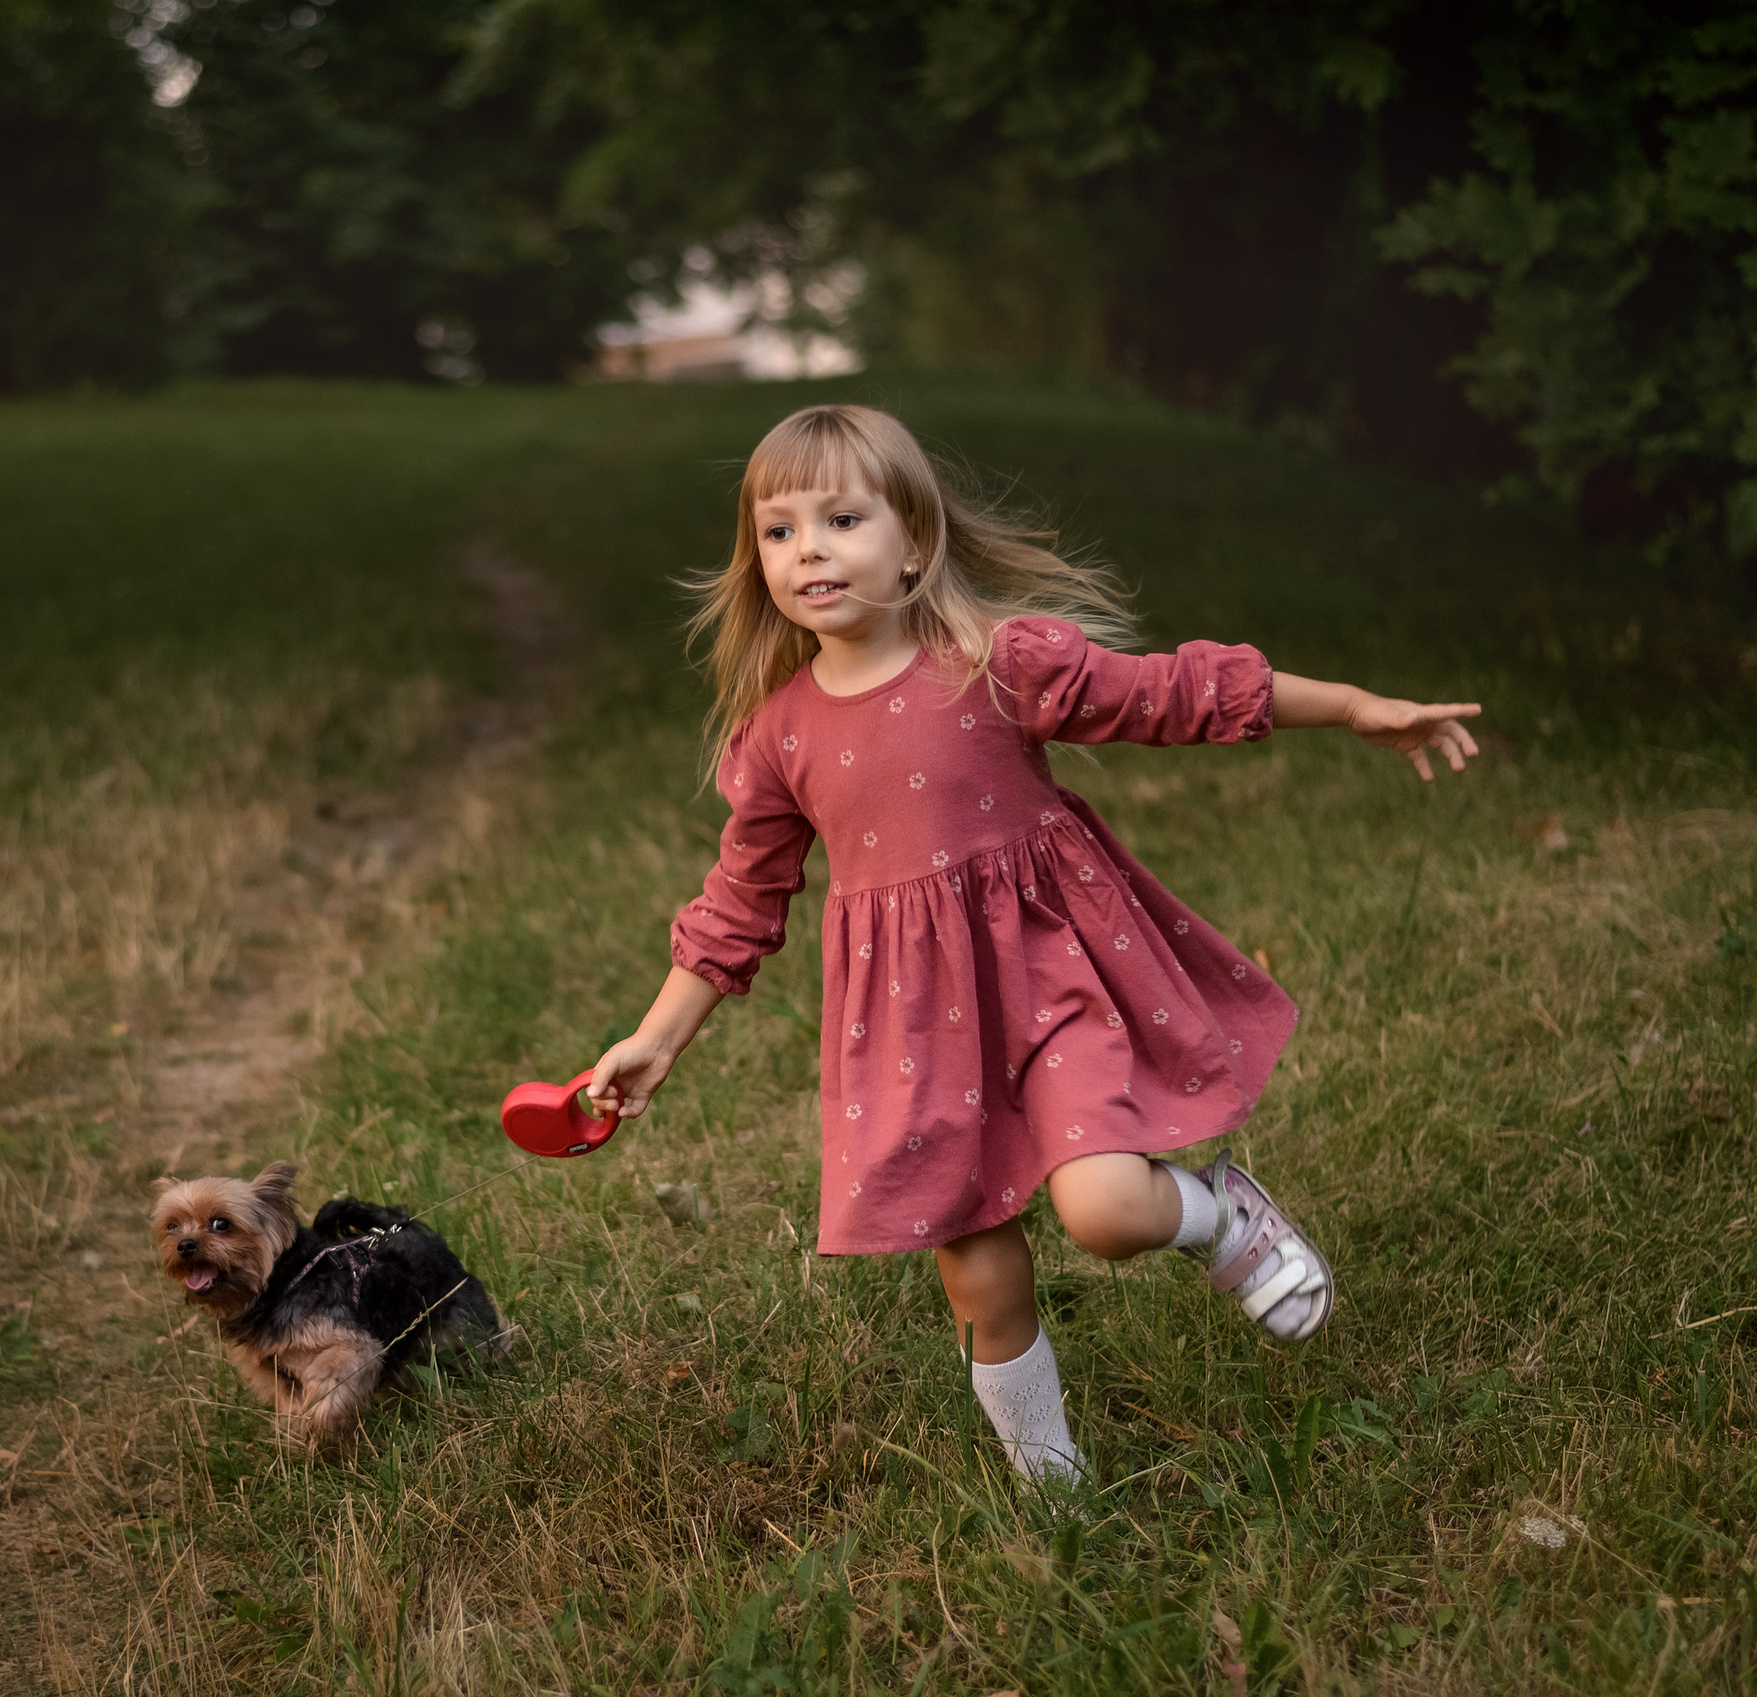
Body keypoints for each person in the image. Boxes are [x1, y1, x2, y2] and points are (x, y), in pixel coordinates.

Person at [587, 404, 1480, 1488]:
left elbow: (1171, 693)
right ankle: (1053, 1490)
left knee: (1105, 1210)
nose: (809, 548)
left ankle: (1216, 1215)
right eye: (777, 531)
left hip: (1051, 975)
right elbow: (741, 899)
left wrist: (1349, 707)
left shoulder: (992, 662)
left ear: (914, 539)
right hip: (912, 1029)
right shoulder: (778, 735)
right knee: (980, 1279)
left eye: (841, 517)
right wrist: (655, 1037)